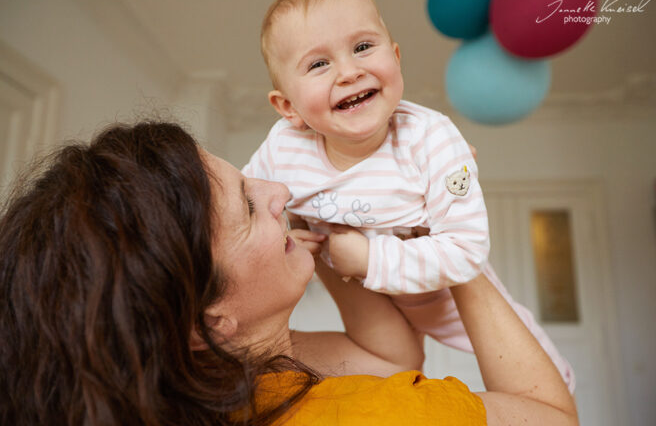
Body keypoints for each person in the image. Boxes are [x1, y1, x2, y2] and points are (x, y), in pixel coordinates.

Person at [0, 121, 578, 426]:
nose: (279, 190)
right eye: (249, 206)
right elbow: (552, 419)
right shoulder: (365, 418)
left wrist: (319, 225)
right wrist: (453, 243)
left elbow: (389, 358)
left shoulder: (229, 375)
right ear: (207, 321)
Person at [244, 0, 576, 391]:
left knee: (526, 352)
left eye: (363, 46)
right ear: (288, 107)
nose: (348, 71)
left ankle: (558, 382)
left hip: (439, 291)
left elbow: (466, 251)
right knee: (397, 371)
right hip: (367, 299)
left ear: (396, 59)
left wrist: (368, 258)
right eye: (318, 64)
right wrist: (282, 240)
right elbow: (246, 204)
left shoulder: (432, 139)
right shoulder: (284, 148)